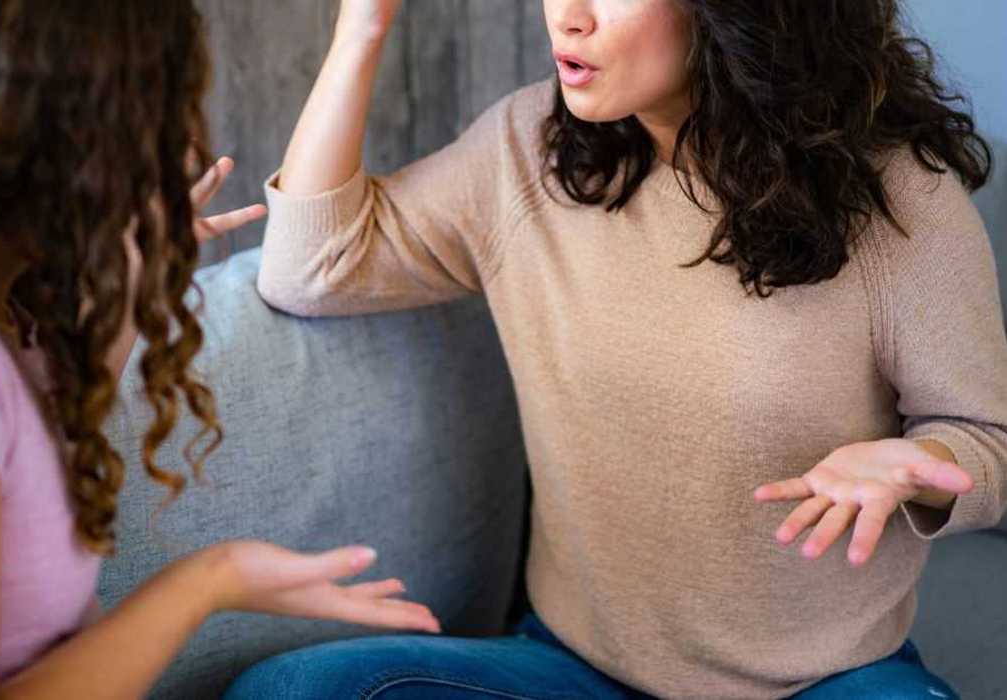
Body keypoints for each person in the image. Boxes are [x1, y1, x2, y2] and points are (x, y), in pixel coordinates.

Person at [224, 0, 1007, 697]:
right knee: (294, 689)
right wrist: (363, 26)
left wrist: (921, 466)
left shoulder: (897, 197)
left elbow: (989, 440)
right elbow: (310, 269)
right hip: (573, 669)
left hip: (826, 680)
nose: (566, 16)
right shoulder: (525, 152)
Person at [0, 2, 440, 698]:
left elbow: (31, 478)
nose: (180, 149)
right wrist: (209, 582)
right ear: (68, 127)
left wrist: (135, 269)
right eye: (157, 107)